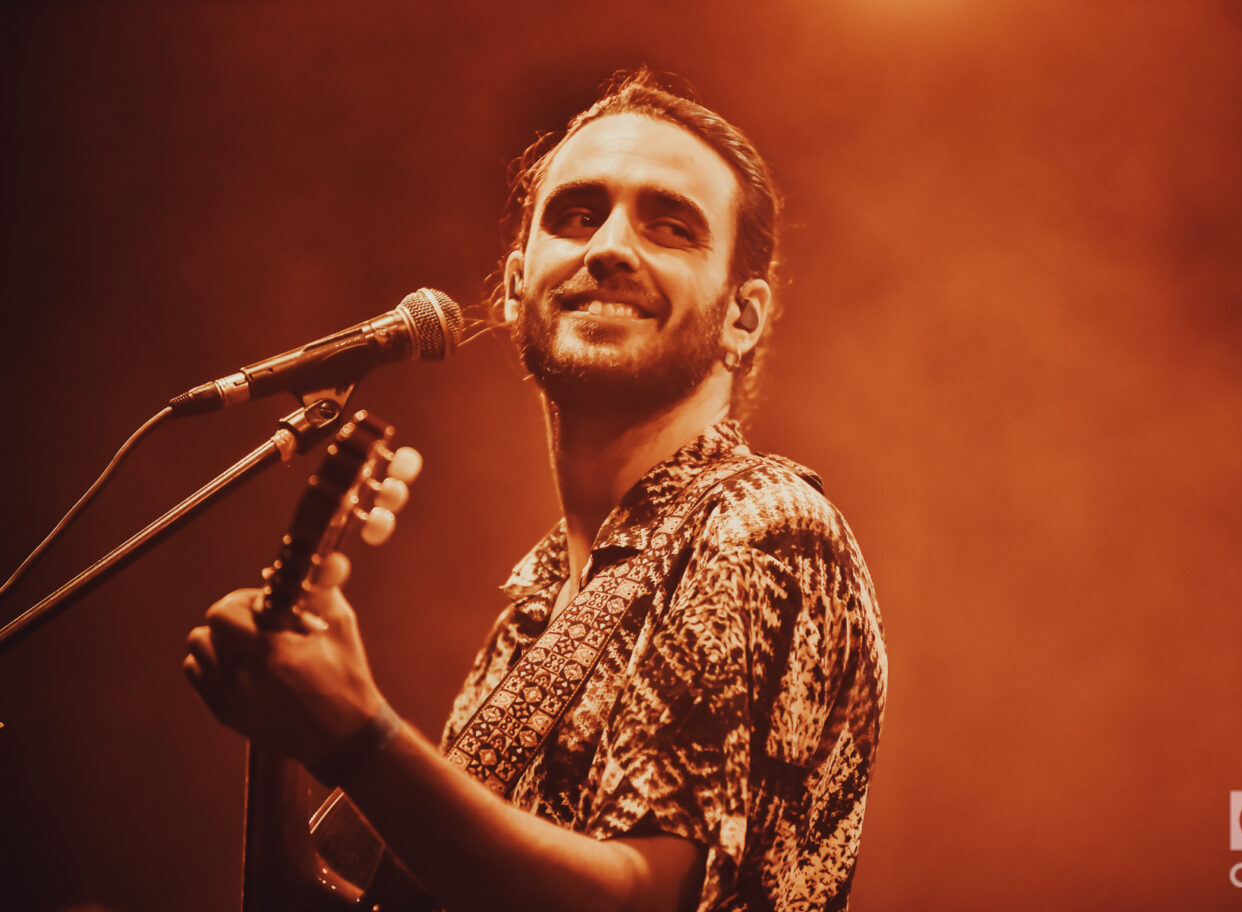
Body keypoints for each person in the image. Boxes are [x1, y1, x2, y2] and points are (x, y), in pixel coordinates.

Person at [183, 70, 887, 912]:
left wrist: (357, 735)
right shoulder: (537, 602)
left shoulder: (764, 527)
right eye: (579, 215)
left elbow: (638, 902)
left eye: (670, 227)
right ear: (517, 288)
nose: (610, 248)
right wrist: (283, 726)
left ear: (744, 317)